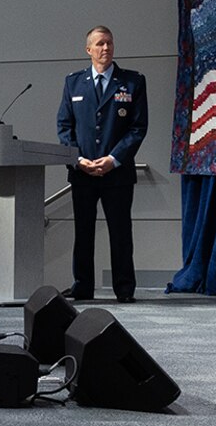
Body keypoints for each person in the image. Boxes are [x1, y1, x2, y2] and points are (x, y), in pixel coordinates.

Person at [55, 26, 148, 302]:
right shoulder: (73, 83)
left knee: (120, 233)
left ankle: (124, 288)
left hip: (117, 173)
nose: (105, 48)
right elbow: (64, 126)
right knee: (83, 234)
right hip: (82, 173)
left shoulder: (132, 82)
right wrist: (77, 159)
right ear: (88, 50)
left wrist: (113, 159)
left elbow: (138, 127)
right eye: (99, 44)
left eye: (109, 43)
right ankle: (83, 287)